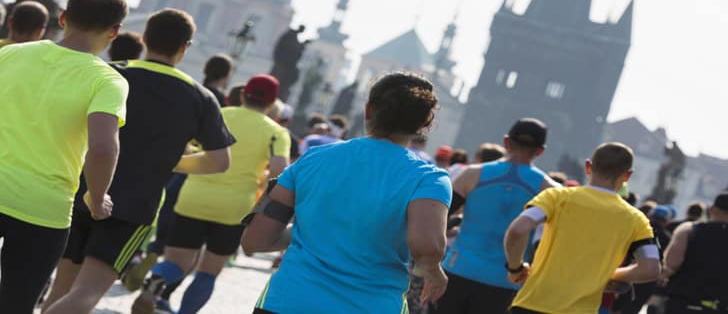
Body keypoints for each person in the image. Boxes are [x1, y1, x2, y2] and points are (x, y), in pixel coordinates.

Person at [42, 9, 236, 314]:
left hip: (80, 190)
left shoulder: (109, 71)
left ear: (144, 38)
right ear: (186, 47)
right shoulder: (199, 97)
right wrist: (172, 162)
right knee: (87, 294)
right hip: (134, 206)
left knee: (61, 289)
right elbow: (219, 161)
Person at [242, 72, 452, 314]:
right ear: (425, 123)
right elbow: (427, 246)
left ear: (368, 110)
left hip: (289, 300)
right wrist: (434, 270)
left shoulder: (312, 159)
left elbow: (255, 240)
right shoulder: (429, 179)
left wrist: (312, 230)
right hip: (371, 306)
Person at [0, 0, 129, 313]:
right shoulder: (107, 80)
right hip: (43, 206)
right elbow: (103, 148)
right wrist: (97, 199)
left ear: (63, 17)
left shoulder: (10, 54)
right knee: (16, 302)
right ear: (115, 31)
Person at [134, 74, 291, 314]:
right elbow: (279, 171)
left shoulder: (219, 114)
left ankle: (156, 277)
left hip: (193, 198)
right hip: (235, 207)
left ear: (242, 94)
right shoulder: (276, 132)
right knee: (208, 273)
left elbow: (184, 145)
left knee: (177, 263)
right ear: (272, 104)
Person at [504, 142, 660, 314]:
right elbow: (651, 269)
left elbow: (518, 230)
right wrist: (610, 274)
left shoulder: (557, 197)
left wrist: (515, 268)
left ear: (588, 166)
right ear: (627, 176)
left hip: (532, 304)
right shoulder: (637, 219)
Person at [430, 119, 558, 314]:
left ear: (506, 142)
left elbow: (438, 218)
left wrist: (431, 265)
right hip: (505, 281)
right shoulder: (549, 189)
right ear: (540, 150)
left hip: (457, 269)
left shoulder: (472, 174)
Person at [661, 191, 728, 313]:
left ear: (712, 210)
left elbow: (671, 264)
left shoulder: (688, 230)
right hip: (718, 307)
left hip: (681, 304)